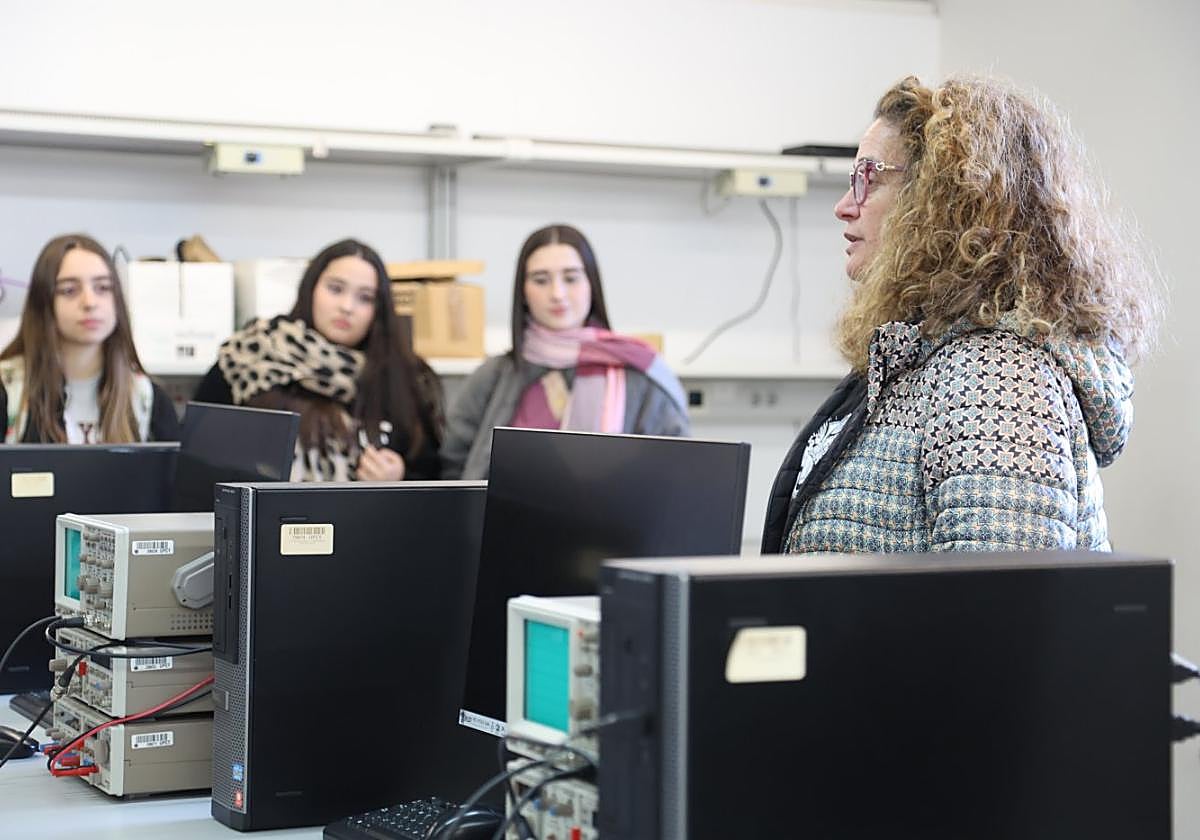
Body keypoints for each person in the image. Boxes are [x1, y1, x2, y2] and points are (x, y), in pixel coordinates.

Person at [762, 75, 1162, 554]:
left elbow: (1001, 612)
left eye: (870, 177)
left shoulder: (999, 379)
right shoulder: (924, 357)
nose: (845, 207)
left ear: (947, 198)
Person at [441, 224, 689, 479]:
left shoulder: (640, 375)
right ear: (523, 292)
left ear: (591, 284)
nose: (557, 294)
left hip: (615, 519)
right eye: (541, 280)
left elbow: (676, 471)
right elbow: (452, 466)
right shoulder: (494, 376)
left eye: (570, 278)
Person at [194, 238, 442, 481]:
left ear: (379, 310)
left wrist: (401, 478)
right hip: (262, 518)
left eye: (365, 298)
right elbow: (198, 461)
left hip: (372, 520)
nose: (347, 306)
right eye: (335, 289)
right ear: (310, 288)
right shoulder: (251, 356)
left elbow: (435, 476)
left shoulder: (404, 377)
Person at [0, 234, 179, 443]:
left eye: (103, 288)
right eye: (69, 290)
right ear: (43, 303)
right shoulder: (7, 389)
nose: (90, 302)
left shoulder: (147, 398)